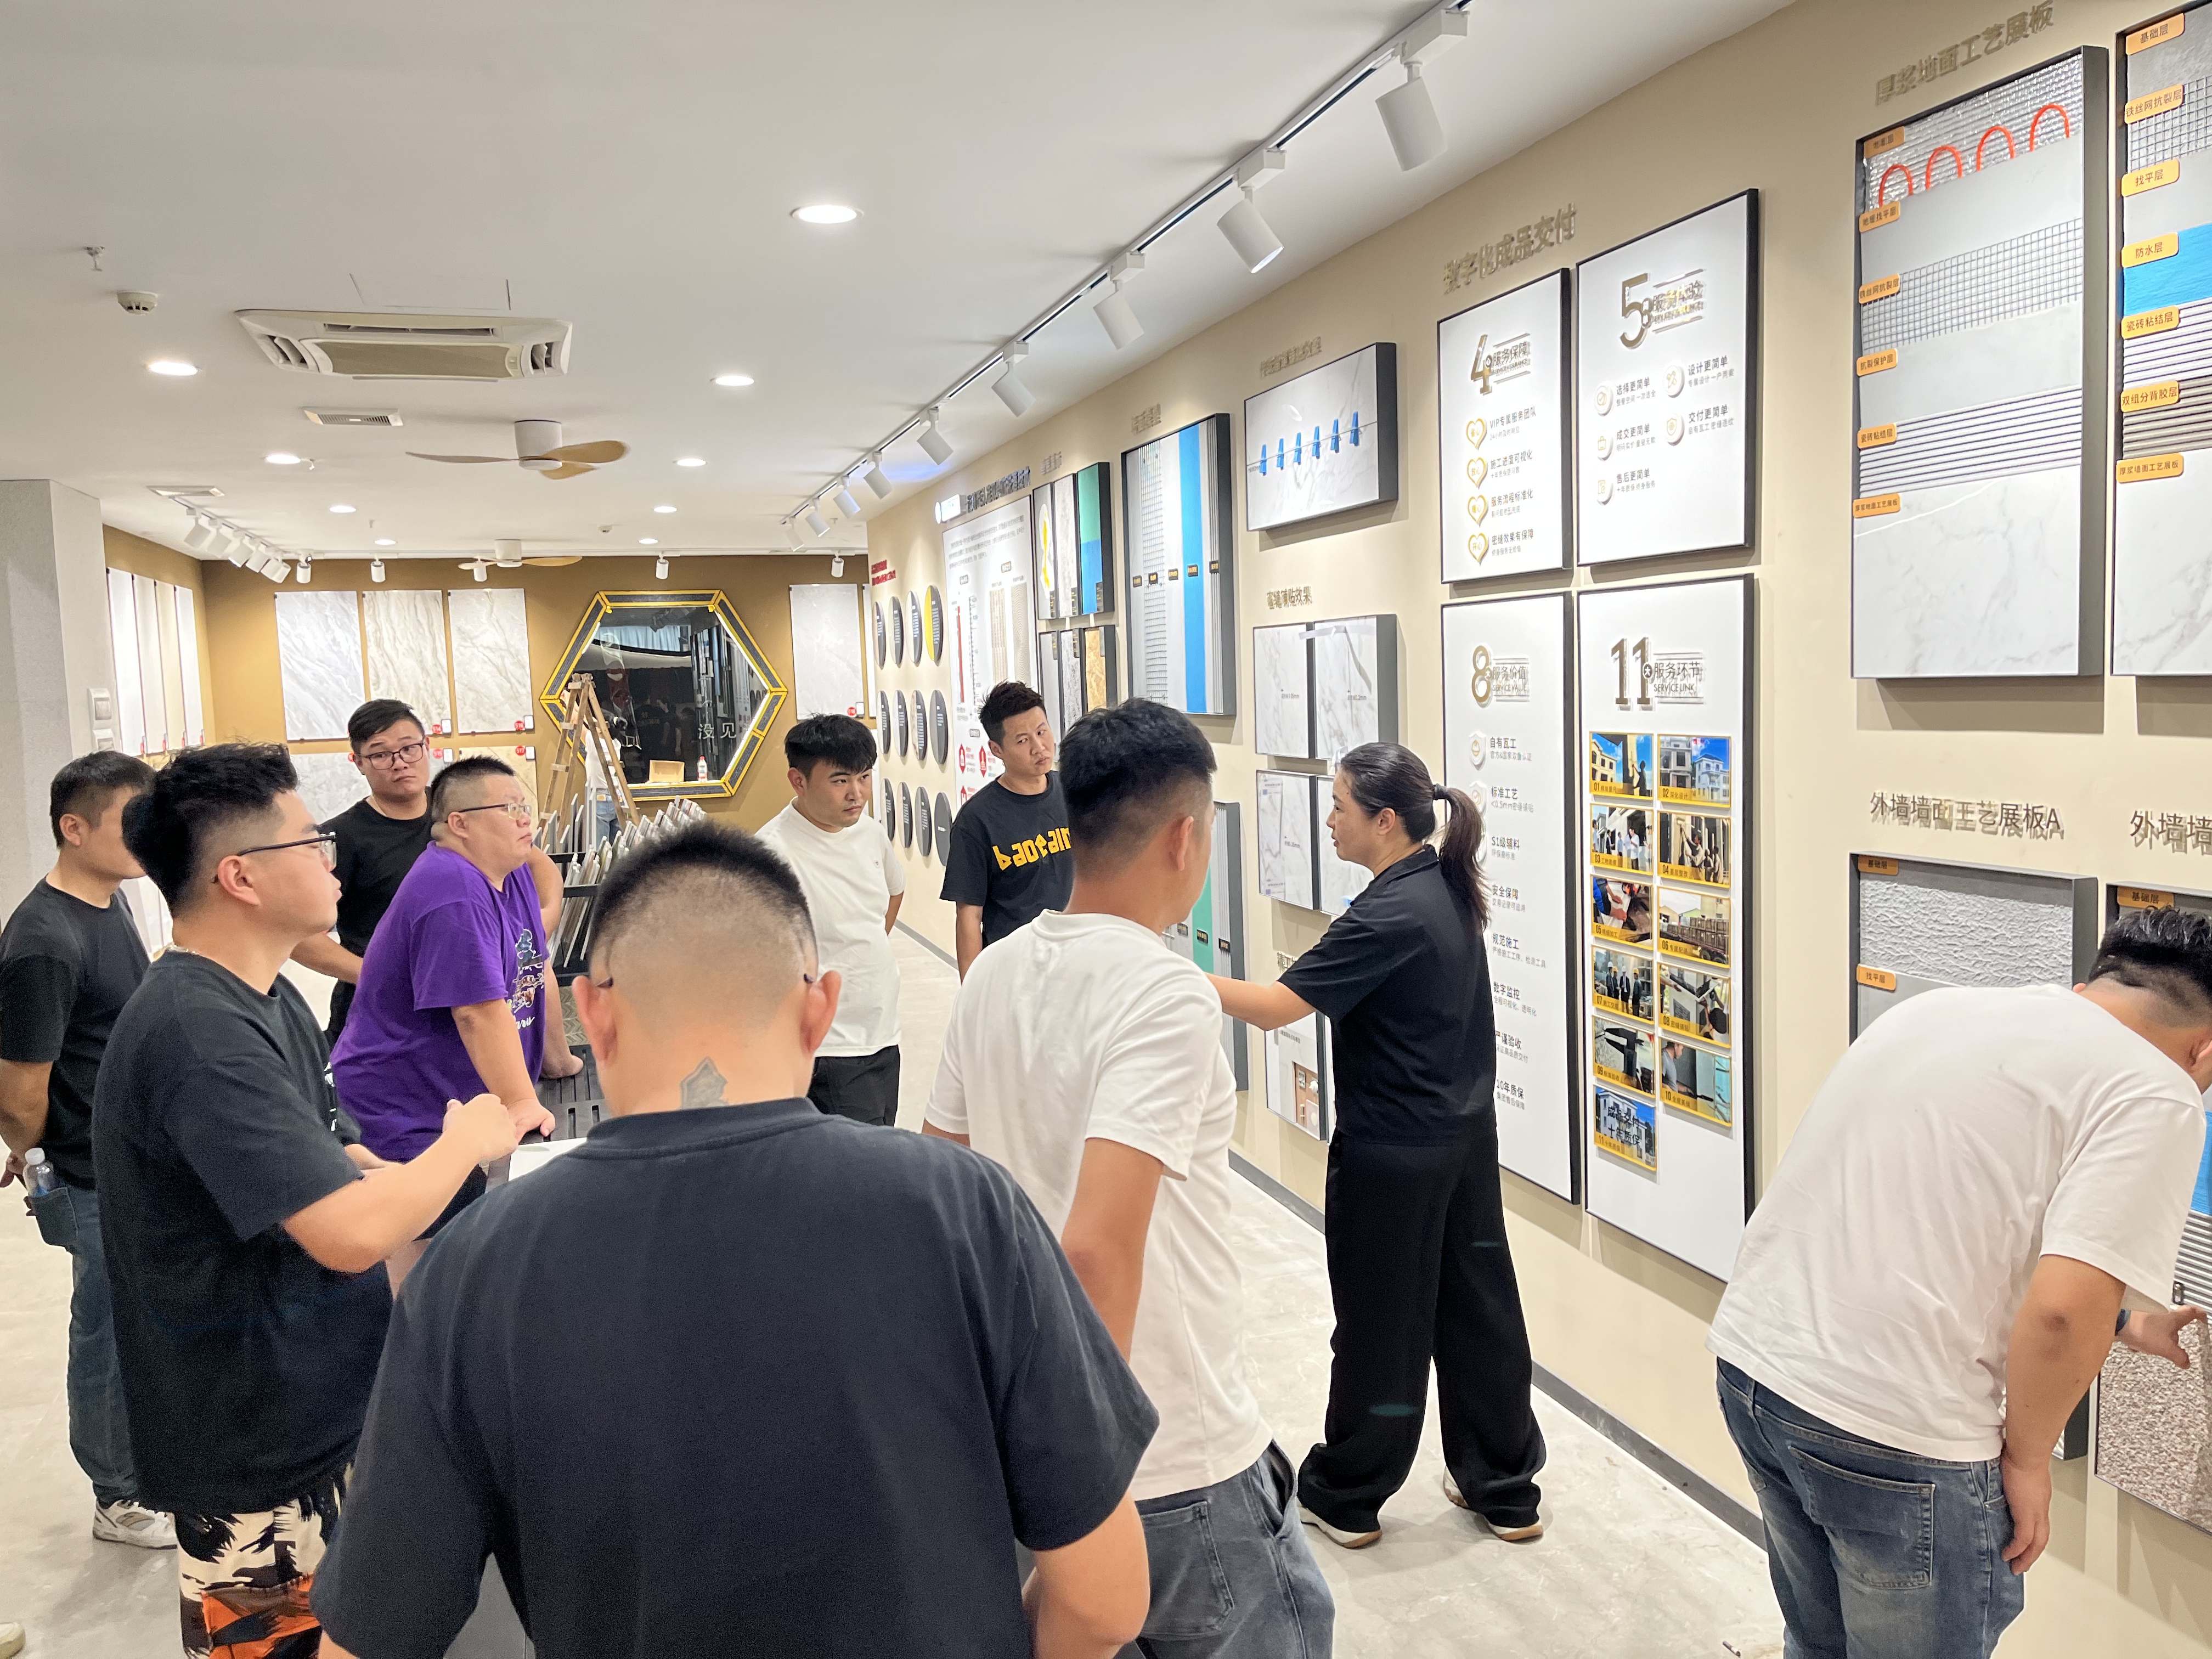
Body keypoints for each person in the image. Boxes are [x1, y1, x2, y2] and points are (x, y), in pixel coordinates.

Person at [312, 820, 1157, 1659]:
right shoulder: (964, 1209)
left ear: (593, 1014)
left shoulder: (473, 1268)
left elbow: (371, 1639)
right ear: (821, 1010)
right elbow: (1105, 1602)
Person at [94, 743, 520, 1659]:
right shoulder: (196, 1030)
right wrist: (465, 1141)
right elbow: (346, 1234)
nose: (332, 860)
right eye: (310, 840)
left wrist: (396, 1172)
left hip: (323, 1401)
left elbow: (334, 1160)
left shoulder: (267, 995)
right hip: (252, 1443)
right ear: (240, 875)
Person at [927, 699, 1333, 1657]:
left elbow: (939, 1191)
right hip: (1168, 1459)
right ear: (1185, 837)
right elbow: (1098, 1252)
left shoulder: (995, 973)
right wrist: (1083, 1477)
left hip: (1043, 1443)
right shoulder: (1165, 994)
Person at [1707, 907, 2212, 1658]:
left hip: (1757, 1370)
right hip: (1895, 1437)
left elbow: (1944, 1219)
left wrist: (2126, 1322)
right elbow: (2061, 1317)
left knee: (1818, 1643)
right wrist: (2028, 1462)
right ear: (2204, 1049)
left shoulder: (1945, 1010)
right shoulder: (2158, 1090)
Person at [1214, 742, 1546, 1549]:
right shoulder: (1445, 885)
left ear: (1385, 820)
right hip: (1465, 1145)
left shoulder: (1385, 915)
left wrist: (1161, 973)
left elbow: (1273, 1008)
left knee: (1380, 1326)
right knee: (1480, 1314)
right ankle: (1505, 1490)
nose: (1329, 820)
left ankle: (1349, 1494)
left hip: (1393, 1157)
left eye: (1339, 806)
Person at [0, 751, 173, 1550]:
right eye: (130, 821)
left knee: (139, 1324)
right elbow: (19, 1092)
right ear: (74, 828)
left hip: (132, 1160)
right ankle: (117, 1495)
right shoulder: (44, 939)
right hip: (86, 1171)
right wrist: (34, 1152)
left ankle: (147, 1466)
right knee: (104, 1332)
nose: (147, 835)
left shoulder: (110, 902)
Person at [330, 755, 565, 1288]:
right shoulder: (451, 890)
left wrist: (557, 1061)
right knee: (430, 1269)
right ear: (460, 824)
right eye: (508, 809)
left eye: (525, 807)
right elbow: (478, 1013)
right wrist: (520, 1102)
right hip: (407, 1106)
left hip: (462, 1102)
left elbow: (533, 967)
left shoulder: (511, 870)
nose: (524, 820)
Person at [290, 699, 566, 1044]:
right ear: (359, 762)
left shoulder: (463, 810)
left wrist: (540, 927)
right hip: (386, 1020)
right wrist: (375, 975)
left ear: (427, 747)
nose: (400, 762)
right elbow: (297, 936)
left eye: (409, 748)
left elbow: (538, 864)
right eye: (381, 754)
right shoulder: (341, 838)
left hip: (474, 1000)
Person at [755, 714, 906, 1126]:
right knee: (855, 1161)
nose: (857, 793)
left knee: (880, 1144)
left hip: (883, 1031)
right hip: (829, 1049)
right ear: (798, 781)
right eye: (840, 780)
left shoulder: (870, 832)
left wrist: (866, 948)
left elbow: (894, 890)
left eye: (865, 777)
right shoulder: (771, 854)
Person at [943, 679, 1072, 977]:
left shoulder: (1074, 792)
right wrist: (972, 991)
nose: (1039, 748)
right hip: (1015, 971)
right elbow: (969, 916)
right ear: (997, 750)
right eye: (1023, 741)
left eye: (1042, 732)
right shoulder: (976, 820)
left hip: (1076, 960)